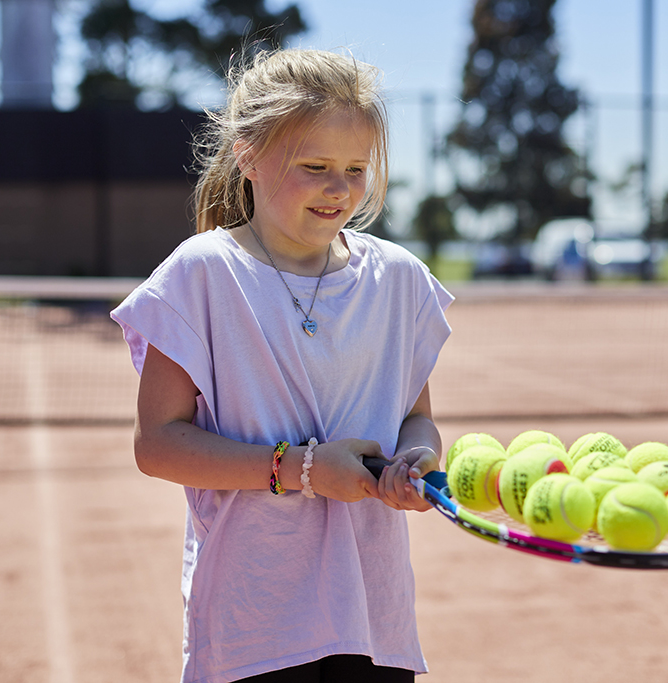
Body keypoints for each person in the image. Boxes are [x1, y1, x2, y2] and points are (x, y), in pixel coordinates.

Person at [111, 48, 453, 683]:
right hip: (253, 625)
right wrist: (300, 469)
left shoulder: (400, 279)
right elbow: (157, 445)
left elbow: (417, 419)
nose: (340, 188)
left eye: (356, 169)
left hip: (374, 622)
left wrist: (417, 461)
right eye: (316, 166)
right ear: (248, 156)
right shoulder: (201, 274)